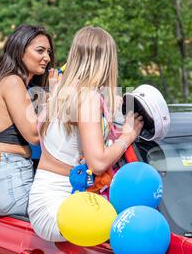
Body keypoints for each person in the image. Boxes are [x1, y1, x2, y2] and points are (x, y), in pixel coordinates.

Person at [28, 26, 144, 242]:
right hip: (60, 208)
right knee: (130, 230)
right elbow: (98, 163)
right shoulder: (88, 98)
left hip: (46, 199)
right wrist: (128, 136)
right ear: (106, 61)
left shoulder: (61, 92)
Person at [0, 24, 58, 217]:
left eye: (49, 52)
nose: (47, 57)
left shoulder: (5, 81)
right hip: (8, 178)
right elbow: (35, 135)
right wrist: (56, 94)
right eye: (40, 51)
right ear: (20, 51)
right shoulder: (12, 82)